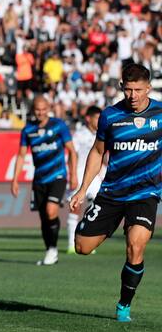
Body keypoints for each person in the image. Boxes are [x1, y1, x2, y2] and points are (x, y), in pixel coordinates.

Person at [70, 64, 161, 323]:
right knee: (82, 247)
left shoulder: (161, 114)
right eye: (128, 89)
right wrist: (82, 189)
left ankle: (124, 304)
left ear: (148, 88)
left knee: (136, 246)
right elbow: (98, 152)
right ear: (122, 87)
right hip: (112, 193)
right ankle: (111, 225)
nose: (132, 95)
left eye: (138, 90)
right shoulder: (110, 115)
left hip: (145, 193)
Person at [10, 96, 78, 266]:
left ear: (48, 108)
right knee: (44, 218)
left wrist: (73, 174)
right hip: (39, 180)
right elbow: (21, 155)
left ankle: (54, 249)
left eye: (43, 109)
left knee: (50, 211)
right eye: (37, 109)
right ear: (33, 110)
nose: (40, 112)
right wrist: (15, 180)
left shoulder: (58, 126)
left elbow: (72, 151)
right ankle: (50, 250)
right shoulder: (28, 130)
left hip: (58, 176)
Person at [68, 105, 105, 254]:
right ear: (88, 118)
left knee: (94, 208)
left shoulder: (101, 134)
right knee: (75, 208)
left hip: (96, 177)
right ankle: (71, 242)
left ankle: (86, 239)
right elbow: (72, 155)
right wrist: (73, 175)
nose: (99, 121)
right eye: (97, 118)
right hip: (79, 173)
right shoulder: (79, 134)